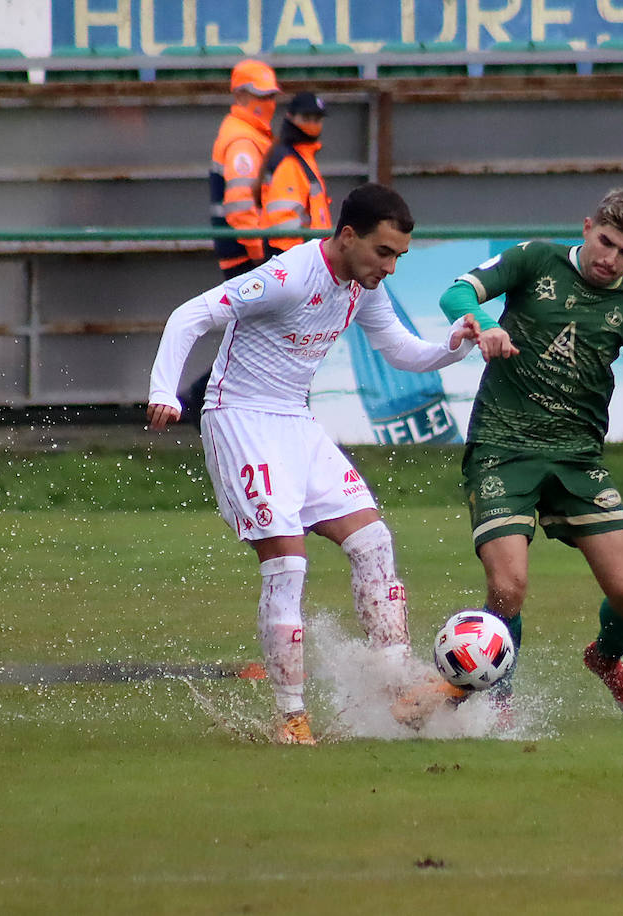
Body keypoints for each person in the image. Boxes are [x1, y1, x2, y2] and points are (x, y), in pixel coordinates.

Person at [147, 183, 481, 746]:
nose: (391, 267)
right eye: (384, 252)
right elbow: (190, 316)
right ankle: (292, 719)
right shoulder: (289, 276)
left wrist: (455, 345)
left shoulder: (362, 284)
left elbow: (400, 351)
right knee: (289, 566)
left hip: (294, 423)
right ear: (348, 236)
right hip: (242, 419)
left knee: (373, 541)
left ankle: (395, 686)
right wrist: (164, 391)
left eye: (400, 255)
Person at [437, 188, 623, 718]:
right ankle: (498, 693)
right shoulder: (535, 259)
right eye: (605, 242)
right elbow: (457, 293)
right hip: (503, 448)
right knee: (508, 585)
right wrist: (485, 322)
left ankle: (606, 660)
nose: (610, 258)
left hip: (578, 460)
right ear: (587, 227)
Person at [184, 58, 281, 428]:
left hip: (242, 251)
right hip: (246, 254)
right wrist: (263, 258)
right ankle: (199, 400)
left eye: (270, 95)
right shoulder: (243, 140)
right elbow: (241, 210)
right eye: (261, 95)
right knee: (254, 335)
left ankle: (202, 400)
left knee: (252, 334)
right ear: (240, 94)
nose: (268, 102)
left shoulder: (247, 134)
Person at [261, 91, 333, 256]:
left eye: (317, 119)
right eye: (306, 118)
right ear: (290, 117)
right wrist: (300, 258)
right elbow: (283, 219)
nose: (312, 125)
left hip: (308, 254)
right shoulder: (289, 160)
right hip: (294, 255)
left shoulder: (303, 157)